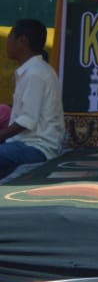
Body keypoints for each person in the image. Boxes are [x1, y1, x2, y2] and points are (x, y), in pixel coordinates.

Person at [0, 19, 65, 177]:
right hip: (25, 145)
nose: (7, 43)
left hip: (37, 148)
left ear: (22, 40)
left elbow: (27, 120)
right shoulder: (35, 70)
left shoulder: (35, 73)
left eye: (10, 38)